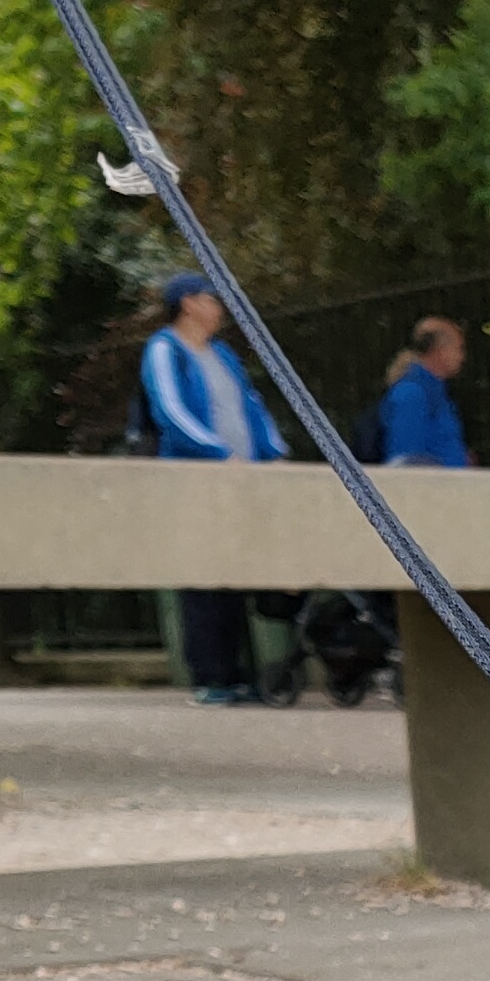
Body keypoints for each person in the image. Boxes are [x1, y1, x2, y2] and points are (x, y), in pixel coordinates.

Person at [138, 272, 287, 709]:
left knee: (236, 575)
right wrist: (219, 453)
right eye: (212, 299)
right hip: (195, 480)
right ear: (188, 304)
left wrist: (272, 452)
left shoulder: (222, 354)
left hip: (238, 480)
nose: (220, 308)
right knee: (203, 577)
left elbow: (251, 405)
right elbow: (170, 412)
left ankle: (239, 674)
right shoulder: (164, 349)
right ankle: (211, 677)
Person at [365, 315, 474, 471]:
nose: (462, 357)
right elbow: (406, 460)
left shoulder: (434, 394)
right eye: (458, 348)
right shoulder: (412, 393)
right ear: (440, 350)